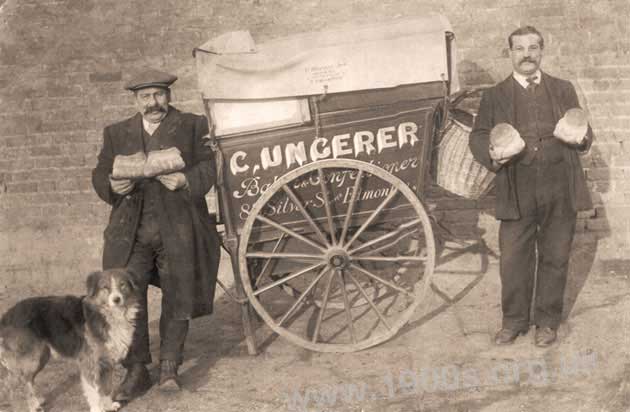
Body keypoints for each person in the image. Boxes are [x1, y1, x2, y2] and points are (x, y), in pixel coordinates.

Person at [92, 68, 221, 399]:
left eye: (159, 95)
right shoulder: (117, 133)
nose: (154, 103)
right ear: (136, 100)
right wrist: (111, 184)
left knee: (178, 292)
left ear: (169, 96)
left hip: (178, 228)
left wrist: (186, 180)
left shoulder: (192, 126)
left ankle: (169, 365)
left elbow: (212, 165)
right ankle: (137, 369)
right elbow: (100, 172)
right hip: (131, 232)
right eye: (146, 97)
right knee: (125, 297)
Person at [469, 26, 593, 347]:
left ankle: (547, 322)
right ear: (510, 53)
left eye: (533, 48)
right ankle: (513, 322)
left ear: (542, 51)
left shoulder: (563, 89)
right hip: (517, 186)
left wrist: (582, 137)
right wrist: (492, 152)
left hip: (559, 185)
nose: (527, 54)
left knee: (555, 255)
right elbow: (478, 135)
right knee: (513, 258)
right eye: (520, 48)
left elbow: (582, 129)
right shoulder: (494, 95)